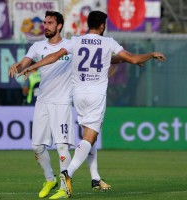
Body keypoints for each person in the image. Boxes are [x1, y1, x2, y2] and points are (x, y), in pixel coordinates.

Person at [17, 10, 165, 197]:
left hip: (78, 95)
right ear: (102, 25)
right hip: (95, 95)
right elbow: (133, 58)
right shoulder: (108, 42)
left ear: (89, 24)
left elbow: (54, 56)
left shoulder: (76, 41)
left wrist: (32, 67)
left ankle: (94, 177)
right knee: (89, 138)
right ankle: (67, 174)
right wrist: (150, 54)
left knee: (88, 137)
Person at [9, 11, 110, 199]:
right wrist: (18, 66)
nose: (45, 26)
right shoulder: (37, 46)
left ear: (59, 26)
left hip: (63, 103)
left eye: (50, 23)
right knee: (37, 147)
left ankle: (65, 187)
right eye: (45, 23)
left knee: (62, 147)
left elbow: (96, 59)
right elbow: (25, 63)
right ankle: (50, 179)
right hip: (43, 102)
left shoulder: (71, 45)